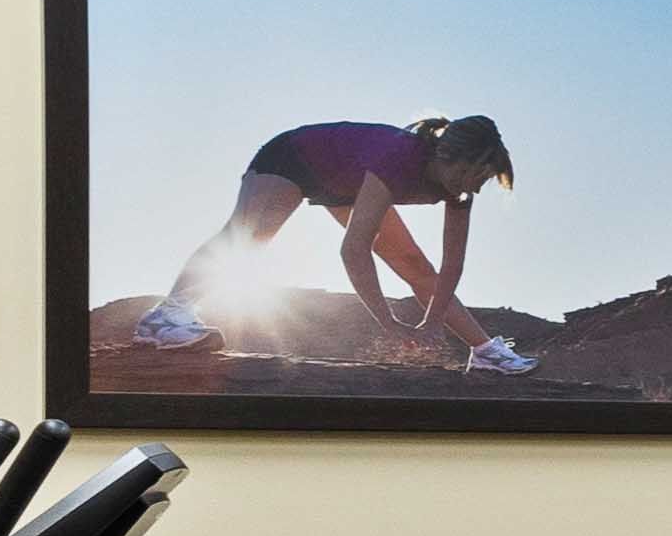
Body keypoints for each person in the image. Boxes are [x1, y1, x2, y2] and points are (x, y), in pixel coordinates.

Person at [137, 114, 525, 372]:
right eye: (473, 175)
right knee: (250, 235)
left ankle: (486, 353)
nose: (476, 187)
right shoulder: (399, 157)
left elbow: (451, 265)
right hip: (292, 157)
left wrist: (433, 323)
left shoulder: (460, 191)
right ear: (446, 156)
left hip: (346, 184)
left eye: (484, 180)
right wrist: (388, 322)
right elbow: (354, 250)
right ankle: (166, 316)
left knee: (413, 263)